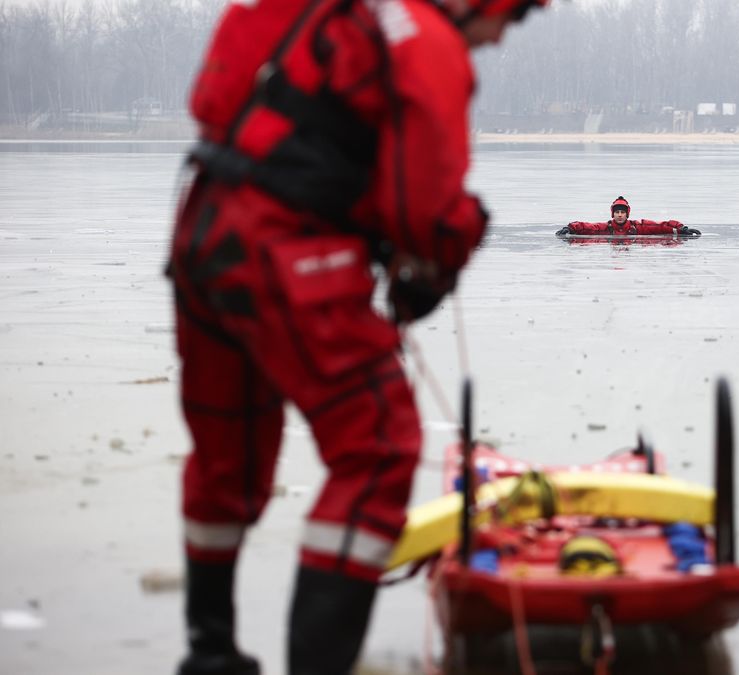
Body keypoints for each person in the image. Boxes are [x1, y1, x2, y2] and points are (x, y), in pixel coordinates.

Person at [166, 1, 549, 674]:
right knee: (378, 449)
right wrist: (452, 245)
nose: (501, 39)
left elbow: (275, 128)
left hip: (202, 234)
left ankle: (210, 651)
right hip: (283, 253)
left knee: (229, 454)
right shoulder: (426, 40)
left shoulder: (339, 14)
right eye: (511, 18)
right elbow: (424, 209)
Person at [556, 196, 700, 237]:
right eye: (617, 212)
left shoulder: (636, 227)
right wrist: (570, 228)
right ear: (613, 214)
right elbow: (588, 227)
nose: (619, 215)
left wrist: (681, 228)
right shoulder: (606, 227)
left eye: (622, 212)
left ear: (627, 214)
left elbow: (659, 226)